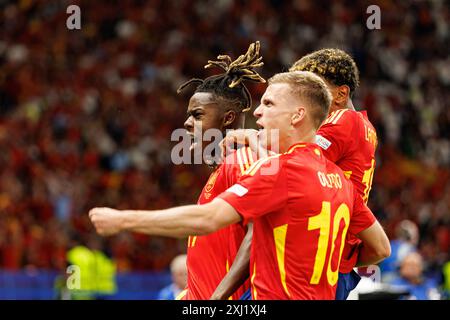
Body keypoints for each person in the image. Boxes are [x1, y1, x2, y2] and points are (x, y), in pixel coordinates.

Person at [89, 71, 390, 299]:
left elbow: (210, 220)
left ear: (298, 115)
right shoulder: (339, 180)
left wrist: (122, 219)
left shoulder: (278, 170)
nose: (258, 111)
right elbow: (379, 247)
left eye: (269, 103)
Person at [215, 48, 379, 300]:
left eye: (315, 88)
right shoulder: (364, 127)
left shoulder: (343, 120)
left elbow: (291, 163)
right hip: (331, 255)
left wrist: (249, 137)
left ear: (341, 94)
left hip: (312, 260)